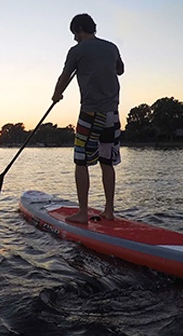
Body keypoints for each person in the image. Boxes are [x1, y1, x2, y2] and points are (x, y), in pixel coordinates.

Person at [52, 13, 124, 223]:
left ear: (80, 29)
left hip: (90, 112)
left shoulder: (76, 51)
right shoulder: (112, 47)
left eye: (75, 33)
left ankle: (82, 213)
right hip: (112, 113)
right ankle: (109, 211)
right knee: (106, 161)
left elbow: (64, 76)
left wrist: (56, 95)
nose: (74, 38)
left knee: (81, 161)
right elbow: (120, 70)